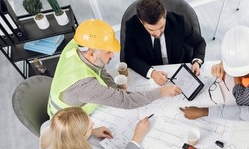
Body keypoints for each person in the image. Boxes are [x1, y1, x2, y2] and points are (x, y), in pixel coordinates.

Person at [47, 19, 181, 118]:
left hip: (69, 104)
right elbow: (126, 101)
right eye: (107, 52)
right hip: (69, 125)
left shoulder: (78, 44)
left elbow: (99, 69)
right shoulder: (85, 85)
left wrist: (113, 87)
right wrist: (161, 92)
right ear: (91, 54)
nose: (113, 55)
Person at [180, 25, 249, 120]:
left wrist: (234, 74)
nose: (240, 75)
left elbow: (241, 99)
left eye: (242, 71)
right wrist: (224, 64)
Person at [123, 0, 206, 86]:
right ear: (141, 21)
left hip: (179, 71)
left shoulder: (179, 22)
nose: (158, 34)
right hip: (150, 75)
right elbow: (130, 56)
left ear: (165, 14)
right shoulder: (132, 26)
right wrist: (152, 73)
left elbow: (199, 43)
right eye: (151, 30)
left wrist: (197, 62)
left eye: (161, 27)